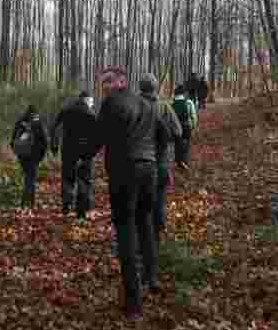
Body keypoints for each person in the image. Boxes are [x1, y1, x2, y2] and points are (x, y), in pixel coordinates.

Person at [90, 67, 169, 322]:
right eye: (103, 83)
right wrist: (154, 159)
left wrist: (82, 158)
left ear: (122, 81)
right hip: (149, 171)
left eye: (109, 82)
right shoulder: (146, 104)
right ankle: (152, 277)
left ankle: (134, 304)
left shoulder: (111, 103)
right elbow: (165, 134)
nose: (105, 86)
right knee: (145, 223)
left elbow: (96, 139)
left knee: (125, 231)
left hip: (125, 174)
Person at [139, 74, 183, 254]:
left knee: (140, 204)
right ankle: (155, 243)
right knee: (158, 202)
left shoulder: (133, 105)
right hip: (160, 162)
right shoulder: (164, 107)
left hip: (137, 164)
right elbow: (178, 132)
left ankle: (141, 243)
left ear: (141, 88)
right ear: (155, 88)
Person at [50, 91, 97, 219]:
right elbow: (98, 134)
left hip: (68, 150)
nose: (92, 104)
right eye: (92, 102)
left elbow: (54, 127)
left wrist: (54, 145)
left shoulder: (66, 109)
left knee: (67, 177)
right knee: (84, 179)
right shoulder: (90, 114)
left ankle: (67, 202)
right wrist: (94, 151)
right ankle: (81, 212)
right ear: (87, 100)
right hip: (85, 152)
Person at [10, 105, 48, 208]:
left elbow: (12, 141)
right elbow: (44, 142)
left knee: (28, 178)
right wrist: (40, 158)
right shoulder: (38, 123)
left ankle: (25, 203)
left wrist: (17, 153)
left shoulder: (20, 122)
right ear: (36, 113)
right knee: (31, 180)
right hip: (34, 156)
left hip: (22, 156)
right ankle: (29, 203)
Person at [172, 84, 198, 167]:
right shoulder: (189, 102)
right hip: (186, 126)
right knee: (186, 144)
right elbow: (193, 116)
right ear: (184, 93)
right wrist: (193, 125)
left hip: (175, 127)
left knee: (177, 143)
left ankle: (178, 160)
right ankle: (185, 161)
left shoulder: (172, 104)